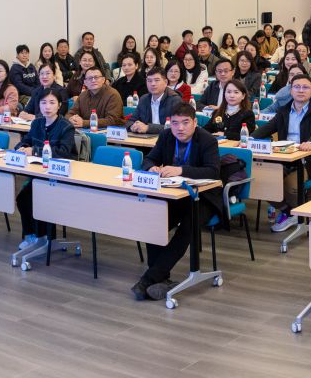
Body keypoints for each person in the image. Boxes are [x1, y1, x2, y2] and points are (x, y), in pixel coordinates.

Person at [131, 101, 222, 302]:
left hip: (203, 197)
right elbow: (149, 159)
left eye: (185, 123)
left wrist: (181, 170)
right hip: (173, 195)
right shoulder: (165, 136)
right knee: (154, 222)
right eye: (175, 123)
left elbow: (213, 171)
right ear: (169, 124)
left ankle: (148, 279)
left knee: (186, 229)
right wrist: (151, 168)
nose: (180, 128)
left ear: (195, 122)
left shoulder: (206, 140)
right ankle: (161, 279)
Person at [251, 73, 311, 231]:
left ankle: (298, 217)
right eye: (297, 87)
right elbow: (267, 128)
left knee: (292, 186)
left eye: (305, 87)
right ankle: (291, 214)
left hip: (307, 159)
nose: (301, 90)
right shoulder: (284, 110)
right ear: (290, 90)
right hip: (283, 158)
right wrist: (248, 140)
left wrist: (310, 142)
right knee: (262, 181)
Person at [14, 89, 86, 251]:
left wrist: (35, 150)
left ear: (59, 106)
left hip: (61, 174)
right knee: (23, 198)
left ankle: (46, 237)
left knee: (39, 198)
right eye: (43, 103)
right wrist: (21, 148)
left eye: (52, 103)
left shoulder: (65, 126)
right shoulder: (37, 123)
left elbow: (63, 152)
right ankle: (32, 235)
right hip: (39, 172)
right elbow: (25, 141)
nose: (47, 106)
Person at [68, 66, 126, 130]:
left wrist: (84, 123)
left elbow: (112, 120)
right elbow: (71, 113)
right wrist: (71, 119)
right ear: (85, 82)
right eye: (90, 78)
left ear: (103, 80)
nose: (93, 80)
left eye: (96, 77)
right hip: (87, 131)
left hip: (111, 133)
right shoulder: (82, 95)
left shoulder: (113, 94)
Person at [128, 70, 174, 134]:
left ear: (166, 82)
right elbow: (130, 121)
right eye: (149, 81)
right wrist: (133, 126)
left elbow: (174, 127)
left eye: (157, 80)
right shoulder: (144, 99)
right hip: (145, 139)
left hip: (166, 139)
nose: (153, 84)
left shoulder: (174, 100)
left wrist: (148, 128)